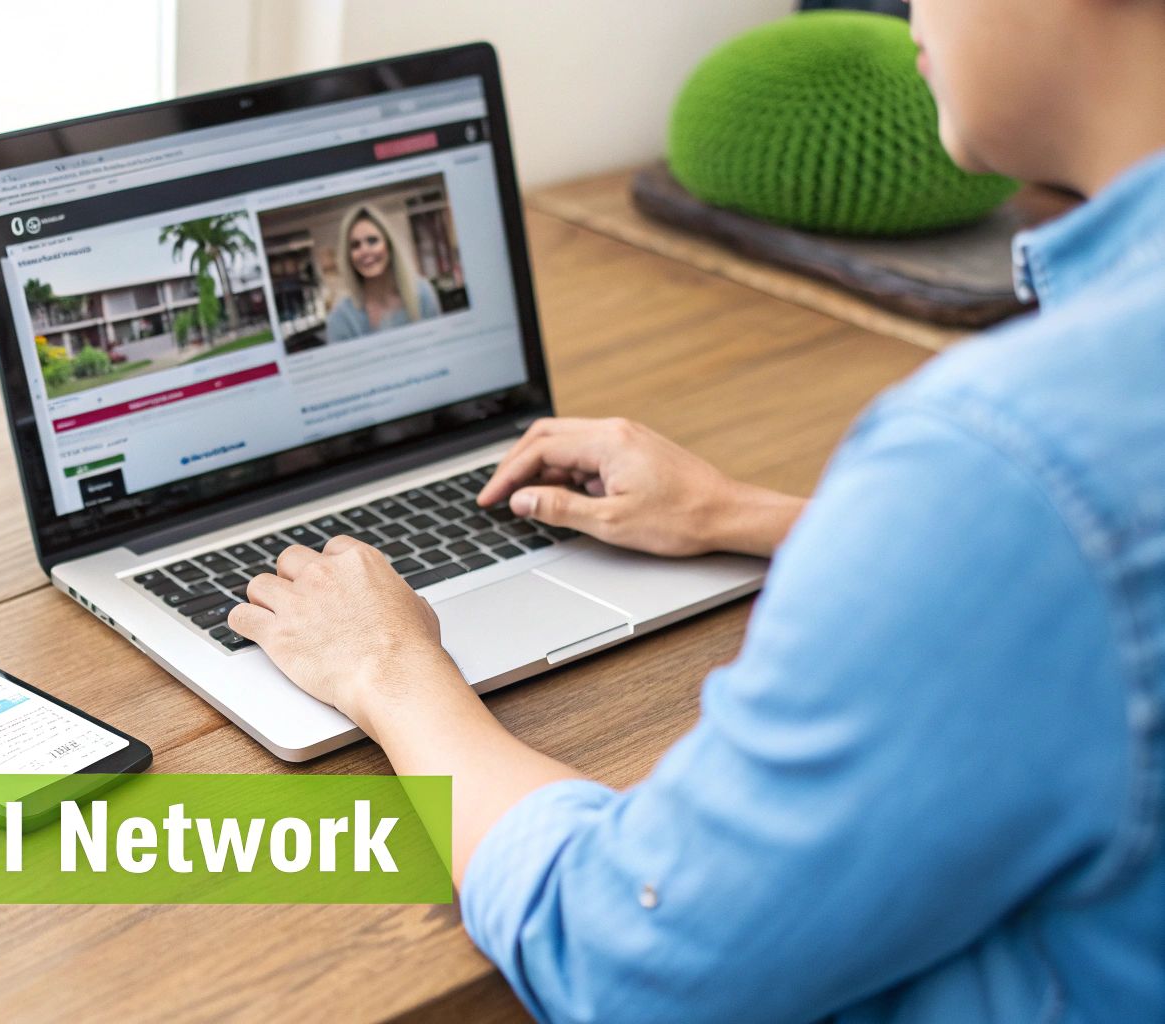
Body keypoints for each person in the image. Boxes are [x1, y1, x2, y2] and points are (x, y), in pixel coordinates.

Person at [226, 0, 1165, 1019]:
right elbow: (1098, 563)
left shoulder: (1001, 457)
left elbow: (623, 955)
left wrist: (389, 670)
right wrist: (738, 512)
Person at [323, 204, 442, 342]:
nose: (364, 251)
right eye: (355, 245)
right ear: (348, 256)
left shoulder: (422, 293)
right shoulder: (341, 319)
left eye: (372, 240)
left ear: (389, 245)